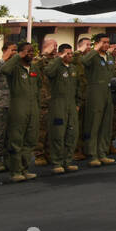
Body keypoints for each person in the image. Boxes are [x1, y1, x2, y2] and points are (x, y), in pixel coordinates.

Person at [0, 41, 42, 182]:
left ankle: (24, 169)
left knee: (30, 140)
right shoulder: (15, 68)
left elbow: (38, 87)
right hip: (18, 107)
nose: (30, 54)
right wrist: (18, 56)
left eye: (32, 51)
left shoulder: (34, 67)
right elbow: (4, 70)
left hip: (33, 108)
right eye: (27, 51)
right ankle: (15, 171)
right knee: (16, 140)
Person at [42, 42, 81, 174]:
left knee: (72, 134)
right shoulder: (56, 67)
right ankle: (57, 162)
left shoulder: (73, 68)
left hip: (71, 105)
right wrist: (59, 59)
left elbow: (78, 87)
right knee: (58, 134)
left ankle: (68, 161)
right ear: (60, 54)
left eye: (71, 53)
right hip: (58, 104)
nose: (70, 56)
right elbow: (48, 72)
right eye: (67, 53)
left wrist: (77, 103)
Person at [79, 33, 116, 167]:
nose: (106, 45)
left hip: (108, 92)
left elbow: (113, 72)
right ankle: (92, 154)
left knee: (106, 124)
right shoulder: (92, 56)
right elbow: (83, 62)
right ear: (97, 43)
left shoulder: (110, 57)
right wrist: (95, 49)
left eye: (108, 42)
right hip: (95, 91)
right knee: (94, 123)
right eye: (103, 42)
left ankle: (103, 153)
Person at [0, 40, 17, 172]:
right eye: (12, 50)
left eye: (16, 50)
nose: (14, 53)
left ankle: (8, 159)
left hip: (13, 104)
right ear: (4, 50)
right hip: (1, 104)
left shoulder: (16, 65)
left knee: (11, 134)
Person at [33, 36, 56, 166]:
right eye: (53, 46)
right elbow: (34, 66)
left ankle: (49, 153)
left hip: (55, 100)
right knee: (41, 130)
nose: (55, 49)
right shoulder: (38, 60)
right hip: (42, 101)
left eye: (56, 47)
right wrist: (45, 53)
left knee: (52, 129)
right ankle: (39, 154)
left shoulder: (57, 60)